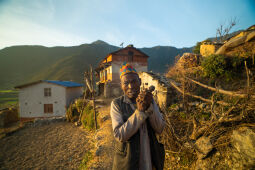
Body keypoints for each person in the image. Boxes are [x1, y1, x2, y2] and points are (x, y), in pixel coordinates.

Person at [110, 62, 165, 170]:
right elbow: (120, 135)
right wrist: (140, 112)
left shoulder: (150, 100)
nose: (130, 86)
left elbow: (160, 128)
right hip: (128, 163)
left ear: (139, 81)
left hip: (150, 160)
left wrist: (149, 107)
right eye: (126, 83)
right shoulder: (116, 104)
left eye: (134, 81)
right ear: (121, 85)